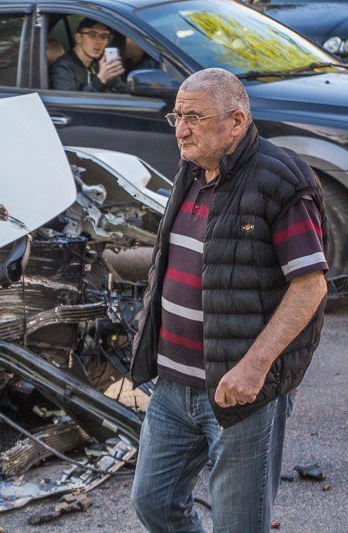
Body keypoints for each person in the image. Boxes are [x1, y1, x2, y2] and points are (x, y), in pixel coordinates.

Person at [130, 67, 329, 532]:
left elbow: (310, 286)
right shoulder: (193, 169)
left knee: (238, 524)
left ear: (236, 121)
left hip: (239, 391)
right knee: (153, 502)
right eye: (177, 117)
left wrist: (254, 368)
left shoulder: (280, 180)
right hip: (172, 384)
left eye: (194, 118)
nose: (181, 130)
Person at [49, 18, 126, 92]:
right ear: (78, 38)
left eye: (104, 36)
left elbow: (124, 90)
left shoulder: (98, 65)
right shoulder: (62, 67)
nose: (99, 42)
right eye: (92, 34)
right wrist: (101, 79)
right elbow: (70, 100)